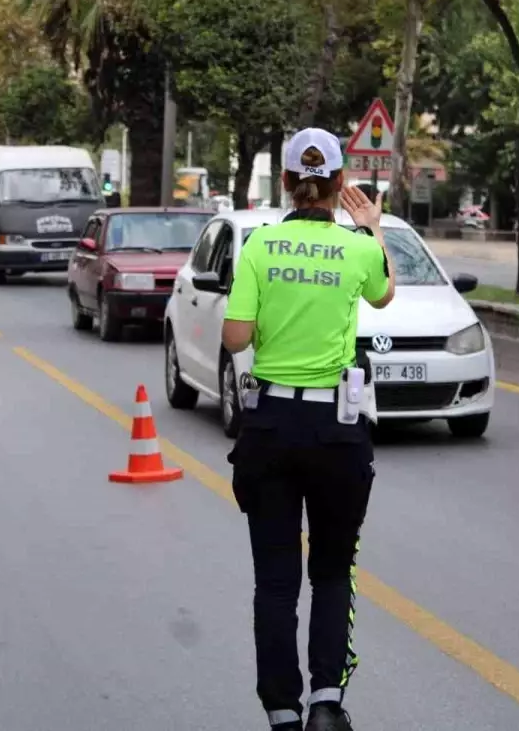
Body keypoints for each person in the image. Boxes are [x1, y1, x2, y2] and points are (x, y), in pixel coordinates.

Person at [221, 127, 396, 731]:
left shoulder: (261, 247)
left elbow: (235, 337)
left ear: (289, 183)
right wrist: (373, 226)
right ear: (342, 183)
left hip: (270, 426)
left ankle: (281, 714)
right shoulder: (358, 248)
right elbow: (385, 295)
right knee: (330, 569)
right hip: (336, 429)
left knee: (274, 580)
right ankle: (327, 701)